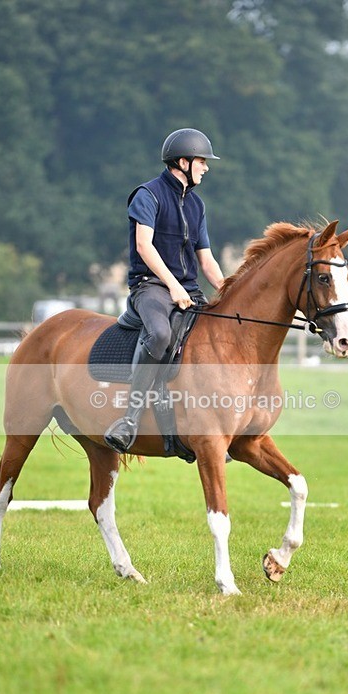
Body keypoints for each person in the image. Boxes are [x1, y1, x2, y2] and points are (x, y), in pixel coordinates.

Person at [104, 128, 225, 454]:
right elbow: (144, 246)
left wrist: (227, 291)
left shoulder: (197, 205)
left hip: (187, 289)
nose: (206, 167)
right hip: (151, 287)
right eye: (201, 161)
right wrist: (172, 286)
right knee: (158, 334)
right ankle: (129, 420)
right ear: (183, 162)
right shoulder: (148, 195)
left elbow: (207, 259)